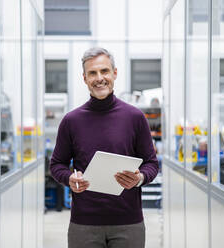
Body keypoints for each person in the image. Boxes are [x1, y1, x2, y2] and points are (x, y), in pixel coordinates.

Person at [50, 47, 159, 248]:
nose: (99, 78)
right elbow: (57, 164)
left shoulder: (135, 118)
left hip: (129, 223)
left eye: (104, 71)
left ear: (114, 73)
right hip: (84, 223)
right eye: (92, 73)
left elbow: (151, 163)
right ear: (84, 78)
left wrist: (139, 178)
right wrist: (69, 178)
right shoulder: (71, 121)